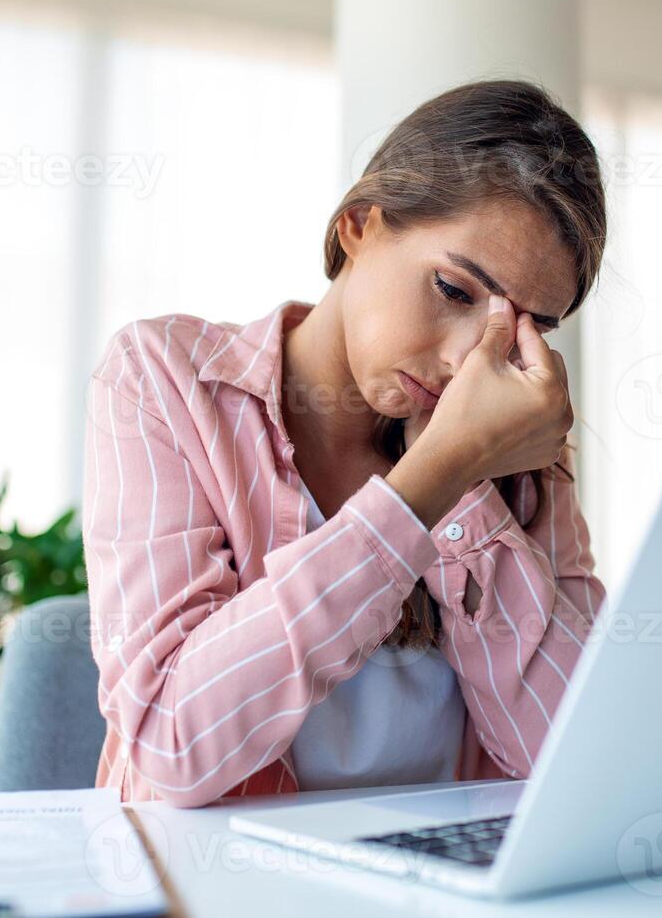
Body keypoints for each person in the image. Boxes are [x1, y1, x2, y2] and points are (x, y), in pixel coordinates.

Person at [82, 78, 609, 807]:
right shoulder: (166, 380)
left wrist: (471, 497)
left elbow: (578, 761)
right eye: (455, 292)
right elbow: (174, 744)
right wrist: (437, 473)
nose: (469, 363)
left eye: (524, 330)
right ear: (360, 224)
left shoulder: (516, 446)